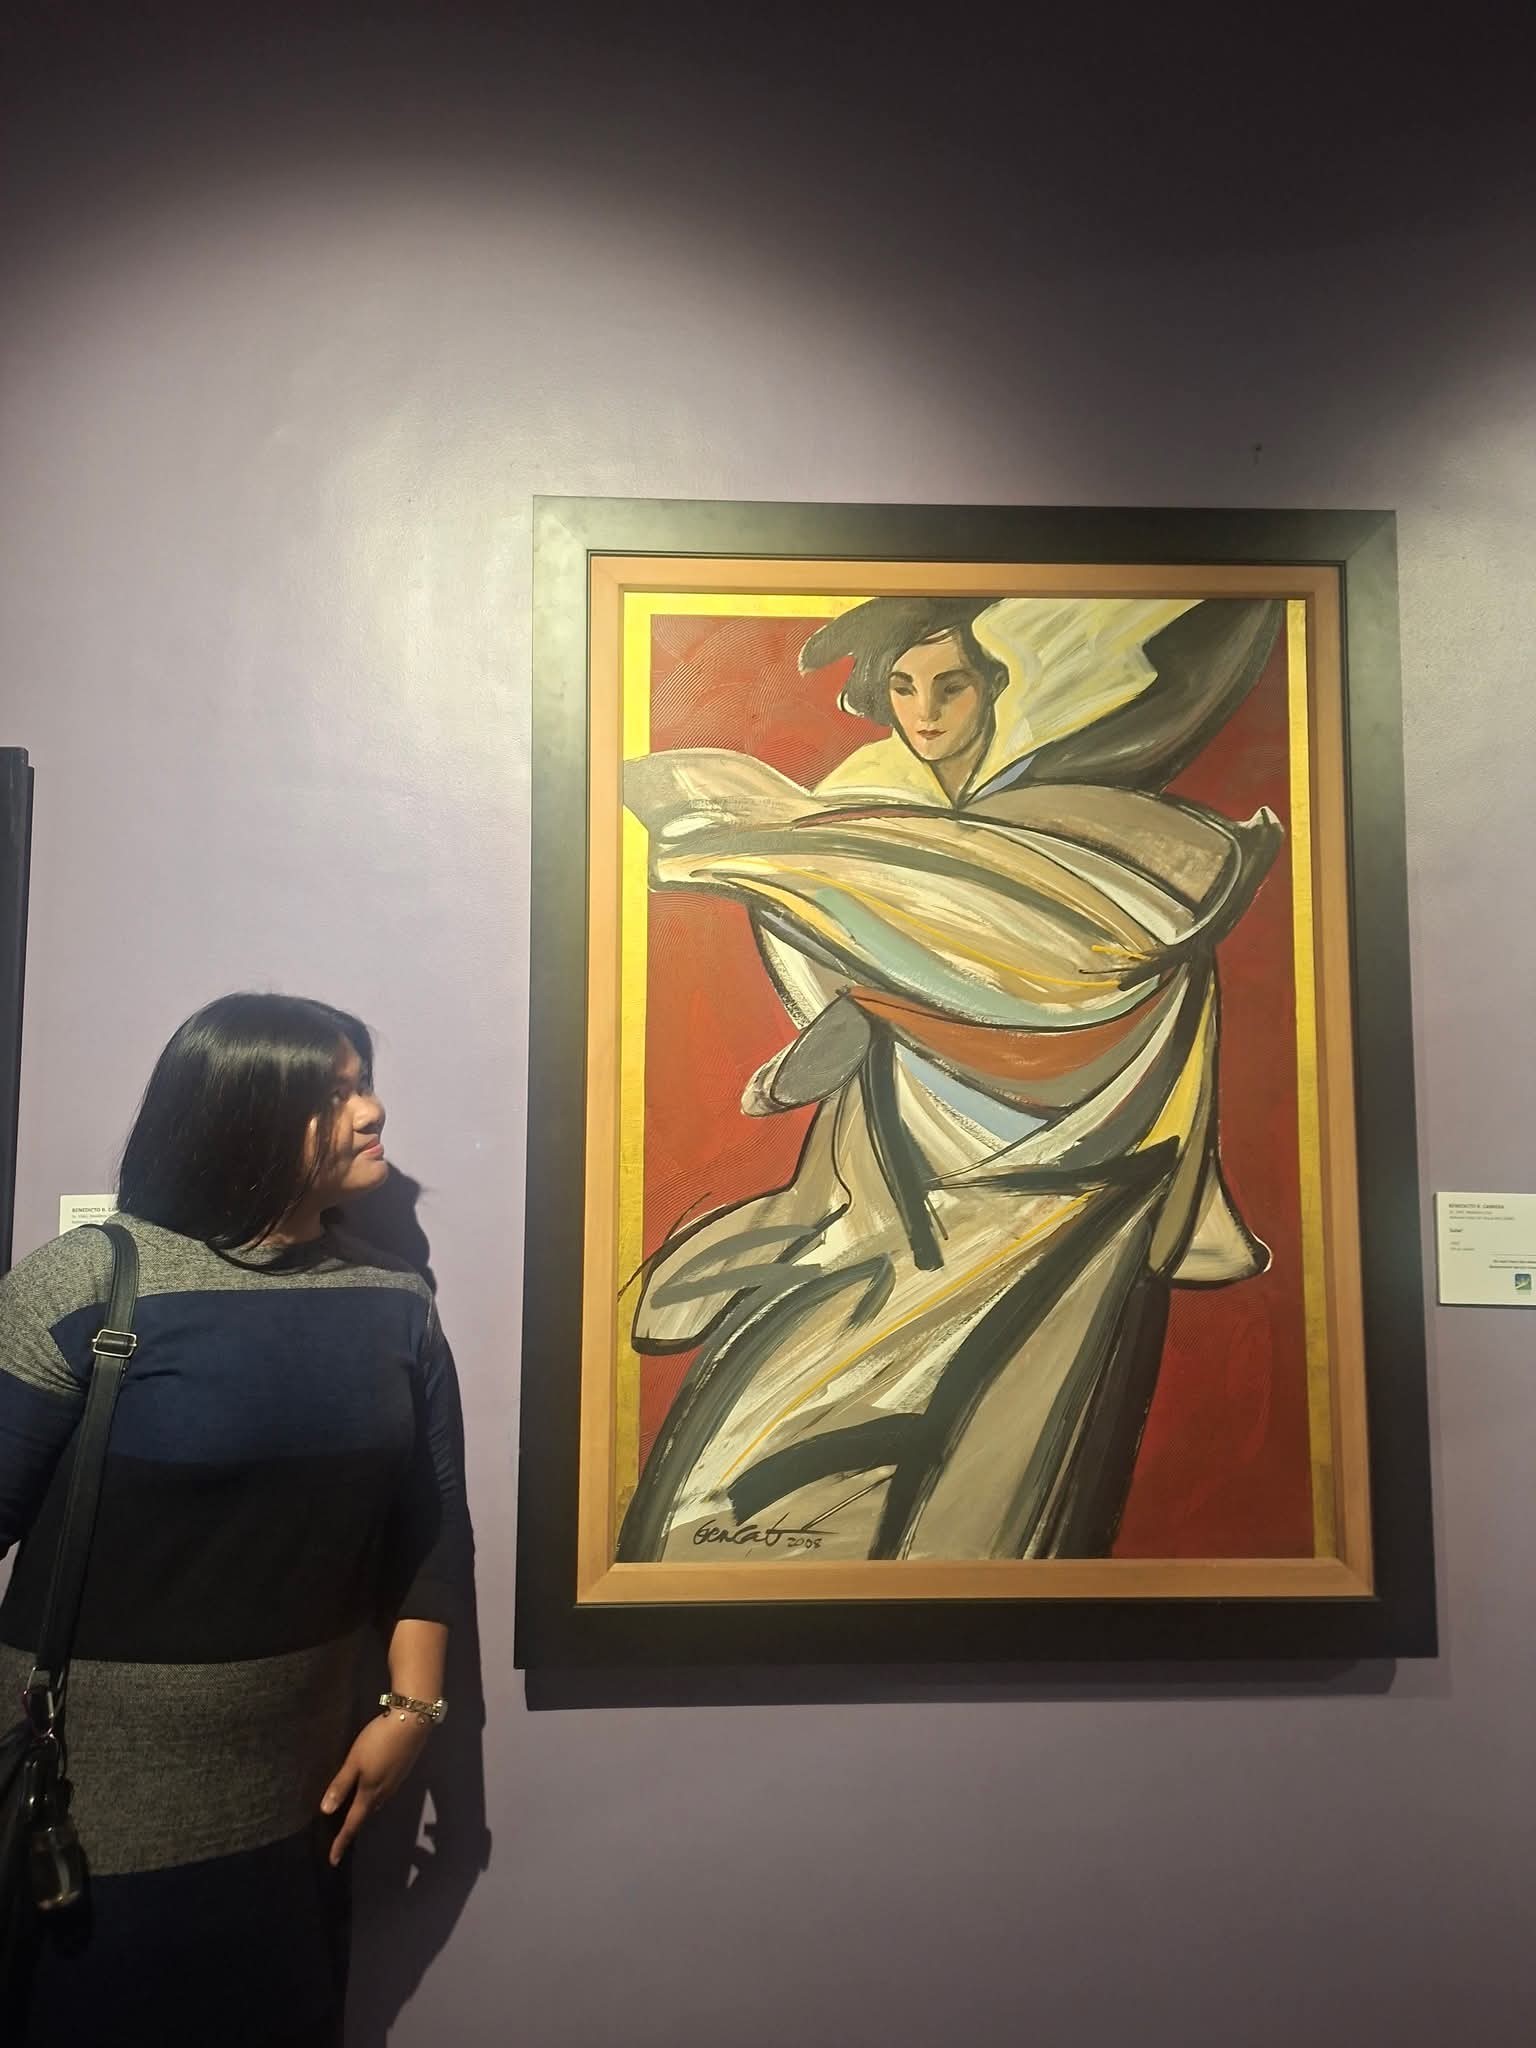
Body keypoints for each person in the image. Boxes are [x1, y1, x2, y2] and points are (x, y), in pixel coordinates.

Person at [617, 595, 1284, 1564]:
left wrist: (777, 852)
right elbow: (871, 979)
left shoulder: (1092, 838)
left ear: (999, 687)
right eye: (903, 688)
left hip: (1057, 1197)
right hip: (895, 1177)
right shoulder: (880, 817)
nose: (924, 713)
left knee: (994, 1470)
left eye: (950, 685)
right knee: (764, 1445)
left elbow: (1085, 963)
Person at [0, 993, 472, 2046]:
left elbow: (430, 1528)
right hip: (83, 1822)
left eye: (363, 1083)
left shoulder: (395, 1302)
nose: (371, 1112)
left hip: (299, 1814)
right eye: (332, 1093)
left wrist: (414, 1709)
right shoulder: (89, 1283)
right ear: (238, 1111)